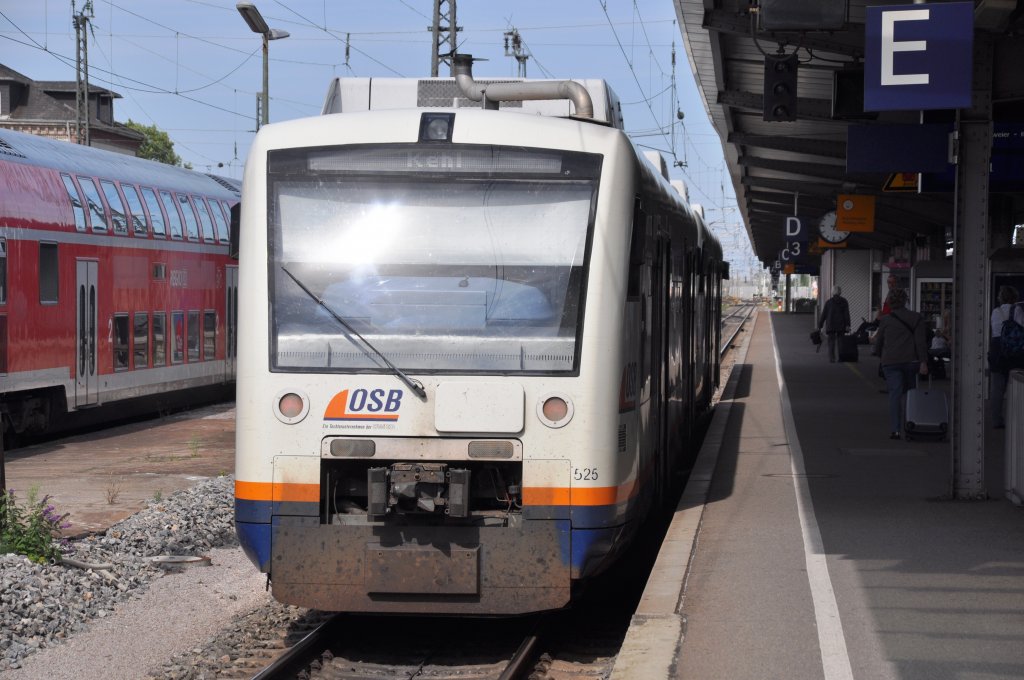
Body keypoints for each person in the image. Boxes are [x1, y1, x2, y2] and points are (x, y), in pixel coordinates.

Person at [873, 288, 928, 439]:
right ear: (905, 300)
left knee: (895, 395)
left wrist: (879, 355)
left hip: (890, 362)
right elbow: (920, 343)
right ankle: (911, 426)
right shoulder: (916, 318)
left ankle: (895, 430)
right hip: (911, 361)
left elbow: (879, 342)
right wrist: (923, 362)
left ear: (890, 302)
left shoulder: (885, 320)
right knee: (910, 395)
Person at [989, 285, 1024, 429]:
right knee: (1018, 385)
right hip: (1015, 352)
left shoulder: (995, 311)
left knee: (997, 388)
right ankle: (1017, 418)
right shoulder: (1017, 310)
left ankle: (996, 420)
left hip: (997, 349)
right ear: (1014, 297)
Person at [818, 286, 851, 362]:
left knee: (831, 342)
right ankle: (841, 358)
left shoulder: (829, 302)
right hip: (841, 325)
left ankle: (832, 358)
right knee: (841, 342)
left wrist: (820, 325)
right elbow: (846, 314)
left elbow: (824, 315)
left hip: (831, 325)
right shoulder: (844, 301)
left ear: (832, 292)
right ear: (840, 292)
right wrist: (848, 325)